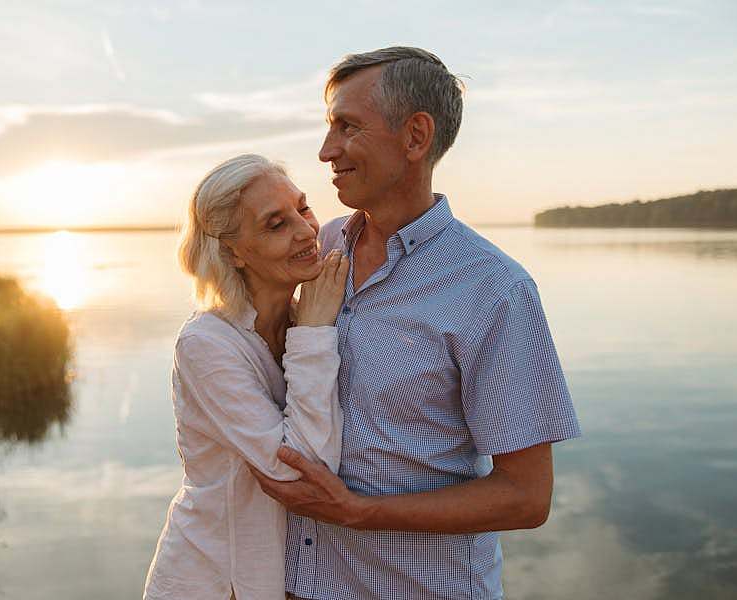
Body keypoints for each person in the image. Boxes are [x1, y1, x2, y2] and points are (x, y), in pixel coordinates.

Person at [250, 47, 582, 599]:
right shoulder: (320, 247)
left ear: (415, 137)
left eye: (347, 127)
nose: (326, 150)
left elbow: (526, 498)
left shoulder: (493, 288)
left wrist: (358, 512)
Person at [142, 154, 349, 600]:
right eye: (276, 224)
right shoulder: (206, 343)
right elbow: (299, 471)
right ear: (232, 251)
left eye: (303, 208)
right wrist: (315, 332)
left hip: (282, 581)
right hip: (212, 580)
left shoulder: (300, 321)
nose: (306, 231)